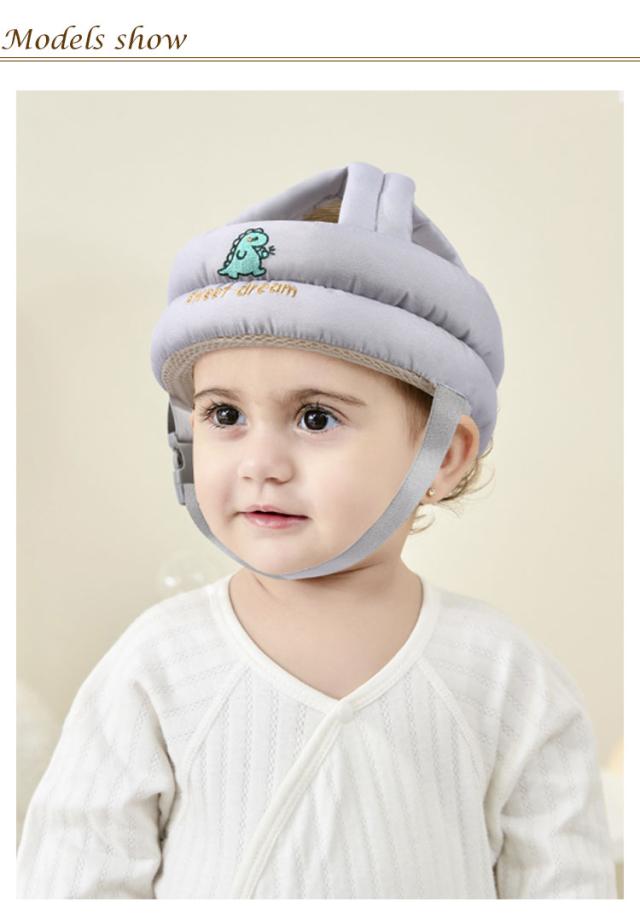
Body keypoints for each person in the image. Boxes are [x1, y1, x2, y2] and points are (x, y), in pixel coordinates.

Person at [16, 162, 617, 898]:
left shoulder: (506, 680)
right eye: (224, 414)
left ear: (442, 455)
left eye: (315, 417)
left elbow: (568, 889)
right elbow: (74, 880)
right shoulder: (157, 667)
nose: (260, 464)